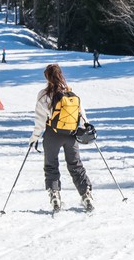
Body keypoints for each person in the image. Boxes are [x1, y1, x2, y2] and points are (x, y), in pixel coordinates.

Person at [28, 63, 94, 212]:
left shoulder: (44, 95)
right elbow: (81, 114)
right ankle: (86, 195)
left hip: (53, 134)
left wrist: (34, 137)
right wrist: (86, 127)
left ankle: (55, 196)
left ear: (47, 77)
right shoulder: (71, 93)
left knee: (51, 165)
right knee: (76, 165)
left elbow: (40, 120)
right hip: (71, 134)